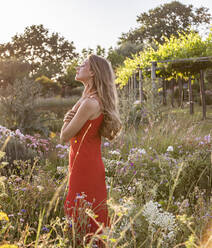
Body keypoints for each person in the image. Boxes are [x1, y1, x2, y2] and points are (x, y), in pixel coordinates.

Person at [60, 54, 122, 247]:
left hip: (85, 167)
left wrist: (66, 120)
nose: (78, 67)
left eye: (83, 65)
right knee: (86, 214)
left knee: (83, 215)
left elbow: (64, 135)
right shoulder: (89, 99)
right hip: (86, 164)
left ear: (93, 72)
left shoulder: (89, 103)